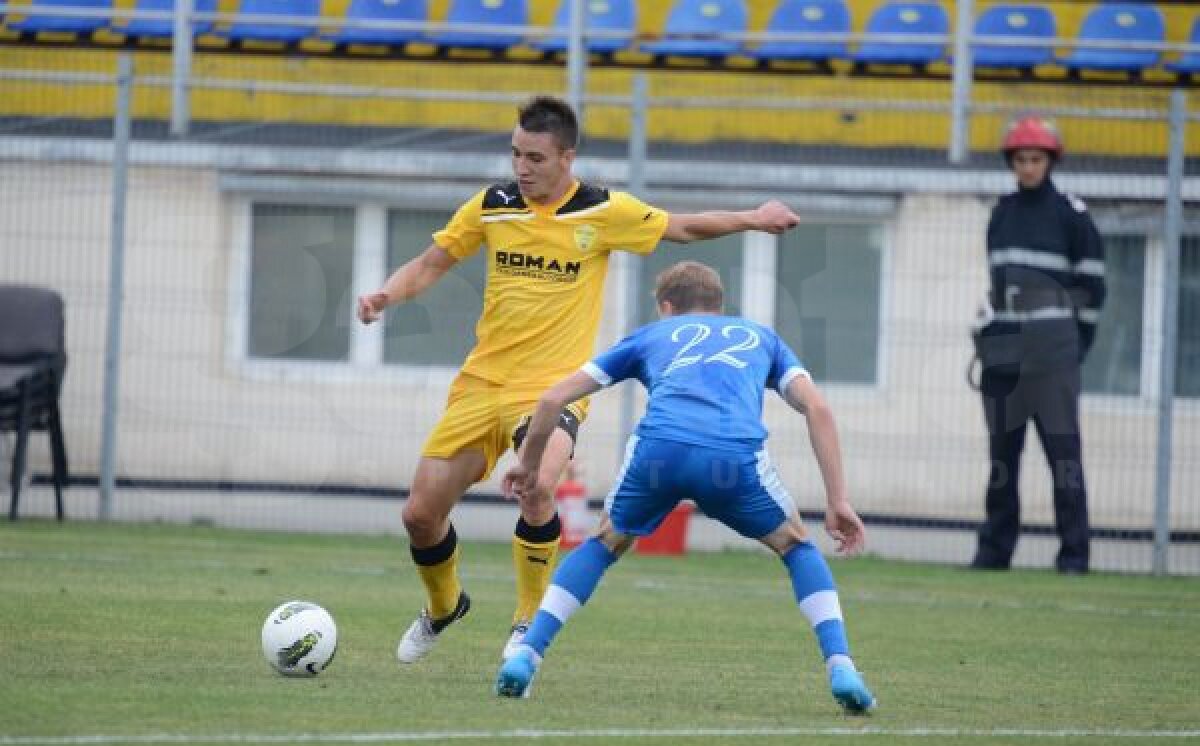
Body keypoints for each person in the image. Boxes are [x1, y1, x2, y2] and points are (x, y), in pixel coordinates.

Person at [357, 96, 801, 664]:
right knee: (420, 514)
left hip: (549, 389)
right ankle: (444, 606)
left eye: (535, 157)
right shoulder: (492, 207)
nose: (521, 167)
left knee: (540, 482)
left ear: (566, 157)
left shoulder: (602, 210)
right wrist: (384, 294)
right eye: (516, 153)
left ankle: (526, 624)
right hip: (480, 385)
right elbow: (431, 262)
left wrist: (754, 219)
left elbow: (682, 228)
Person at [494, 261, 876, 714]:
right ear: (719, 305)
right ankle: (841, 665)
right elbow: (818, 409)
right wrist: (838, 500)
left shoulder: (652, 335)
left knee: (603, 543)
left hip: (660, 453)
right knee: (797, 547)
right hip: (731, 459)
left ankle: (526, 654)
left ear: (667, 307)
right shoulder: (762, 338)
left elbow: (553, 398)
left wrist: (528, 465)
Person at [970, 116, 1106, 575]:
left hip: (1054, 359)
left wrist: (1070, 345)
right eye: (1021, 159)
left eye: (1036, 159)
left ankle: (1073, 556)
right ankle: (994, 553)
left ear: (1050, 161)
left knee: (1063, 458)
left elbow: (1093, 288)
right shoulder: (1002, 212)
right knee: (1002, 460)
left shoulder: (1073, 214)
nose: (1028, 167)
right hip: (1004, 358)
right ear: (1012, 163)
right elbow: (997, 282)